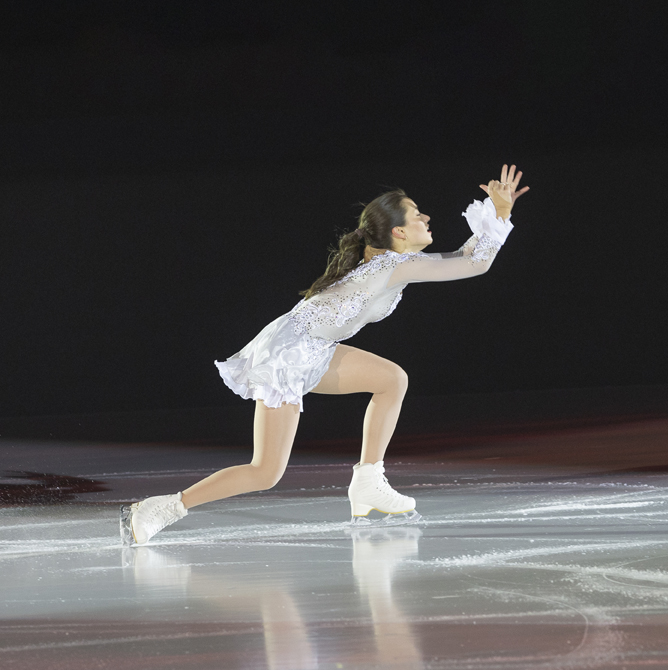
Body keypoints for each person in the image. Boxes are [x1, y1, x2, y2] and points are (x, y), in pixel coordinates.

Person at [120, 165, 530, 546]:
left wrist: (499, 214)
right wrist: (499, 212)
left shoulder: (391, 262)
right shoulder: (393, 266)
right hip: (288, 354)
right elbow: (475, 264)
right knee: (265, 472)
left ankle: (368, 479)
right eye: (417, 214)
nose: (426, 219)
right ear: (398, 233)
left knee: (392, 380)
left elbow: (465, 259)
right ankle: (159, 509)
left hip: (309, 346)